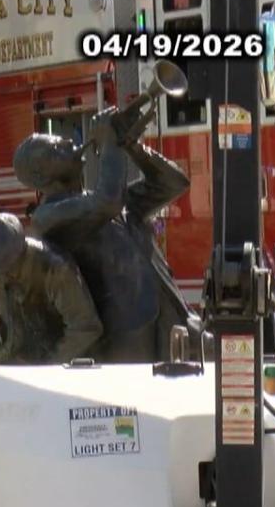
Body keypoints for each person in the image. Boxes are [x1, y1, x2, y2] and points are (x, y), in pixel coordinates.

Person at [15, 107, 197, 363]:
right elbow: (107, 202)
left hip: (165, 316)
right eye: (55, 149)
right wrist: (112, 145)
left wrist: (132, 146)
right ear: (40, 176)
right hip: (126, 335)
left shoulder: (99, 202)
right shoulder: (48, 216)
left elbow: (173, 183)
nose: (68, 142)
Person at [0, 212, 102, 365]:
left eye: (11, 267)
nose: (4, 277)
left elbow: (85, 326)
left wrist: (49, 367)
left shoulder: (54, 268)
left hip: (59, 362)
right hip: (12, 362)